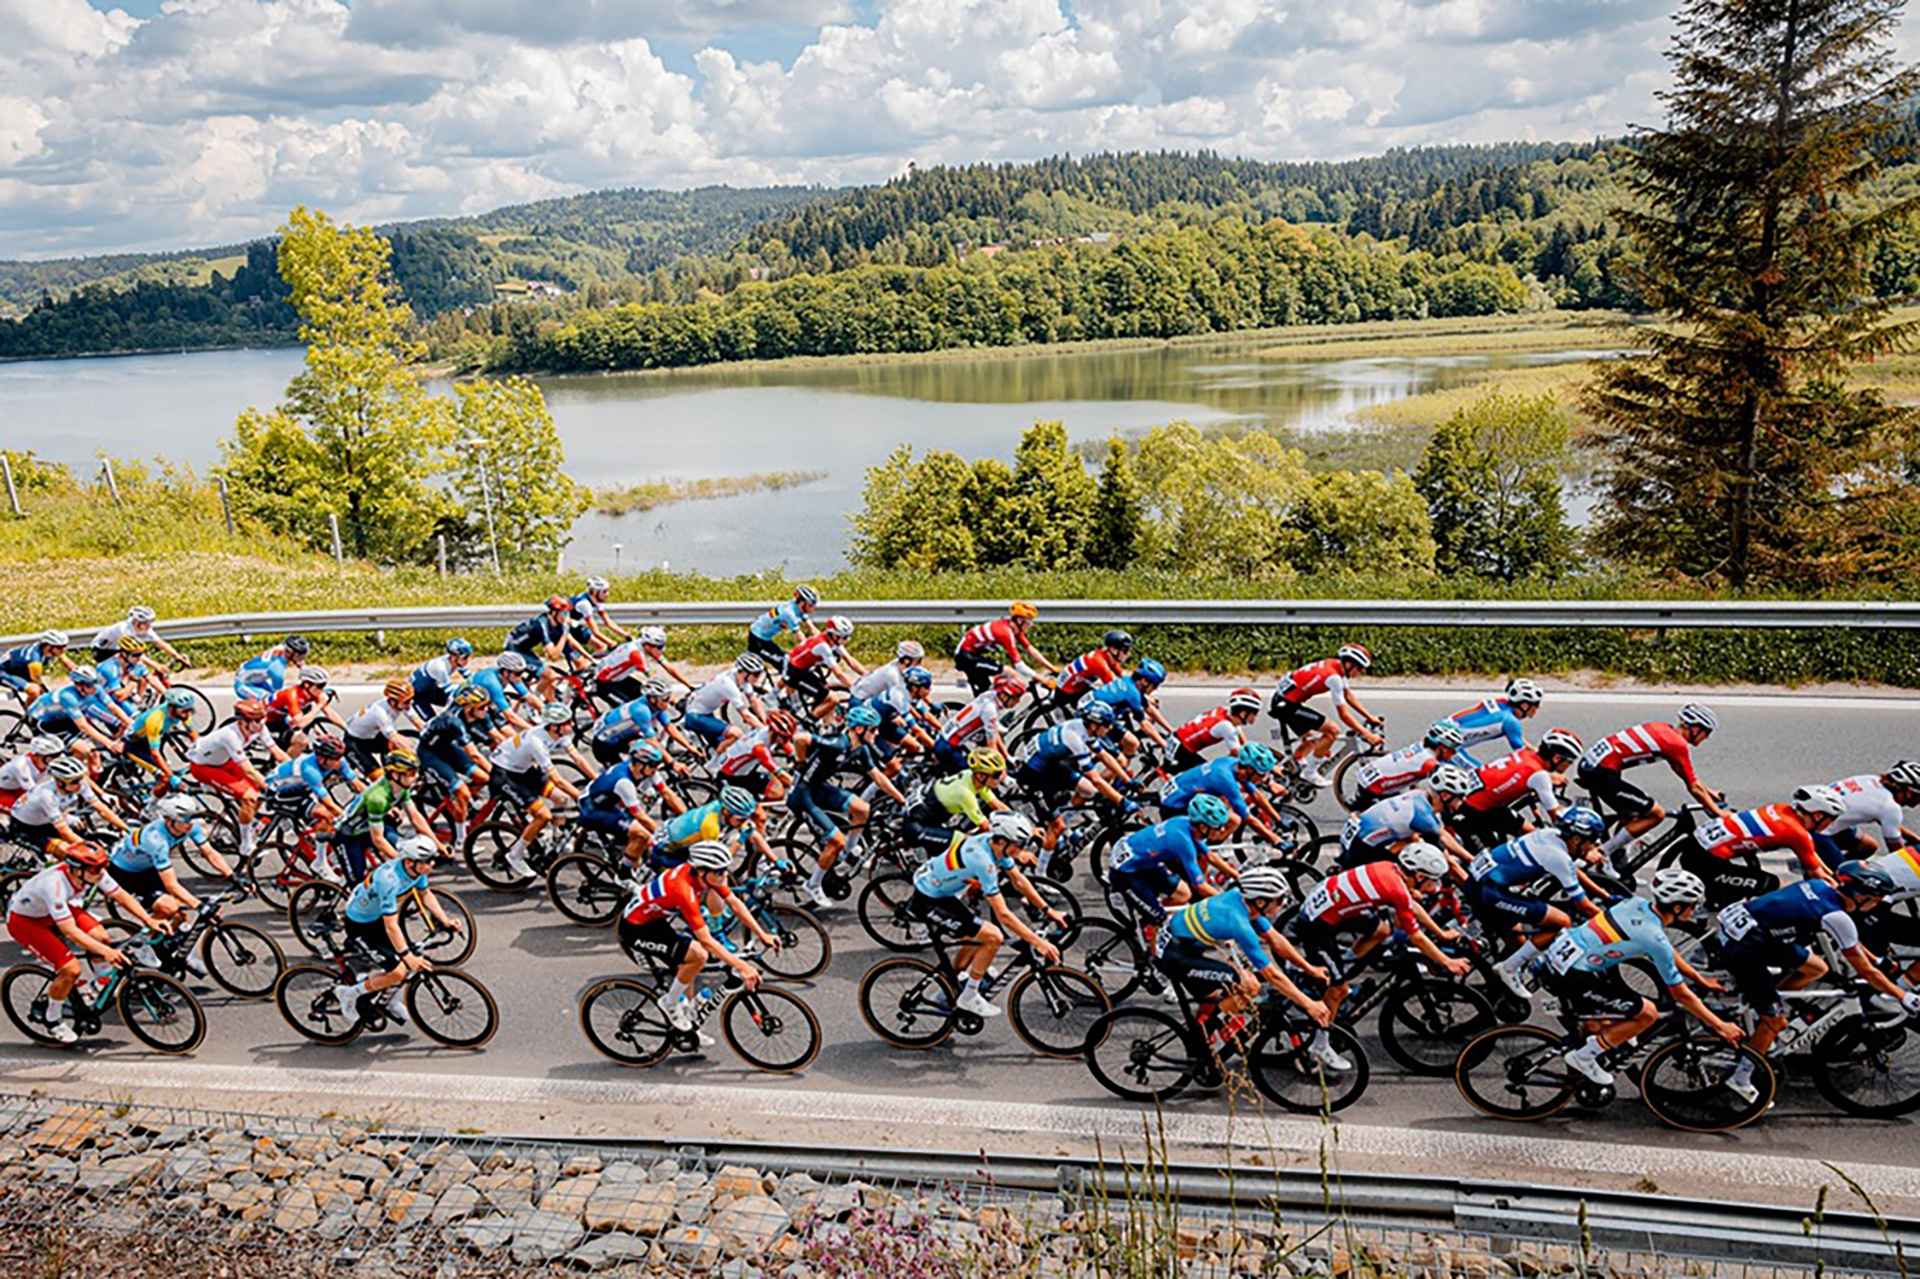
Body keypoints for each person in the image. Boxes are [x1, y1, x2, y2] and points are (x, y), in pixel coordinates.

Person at [1710, 859, 1920, 1102]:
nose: (1877, 904)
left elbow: (1850, 941)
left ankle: (1762, 1010)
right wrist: (1903, 995)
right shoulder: (1837, 916)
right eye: (1876, 898)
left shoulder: (1821, 886)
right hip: (1745, 948)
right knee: (1775, 1023)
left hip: (1747, 928)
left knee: (1816, 968)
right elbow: (1866, 972)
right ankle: (1741, 1076)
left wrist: (1876, 959)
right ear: (1862, 896)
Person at [1540, 868, 1743, 1088]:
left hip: (1560, 956)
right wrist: (1720, 1025)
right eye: (1692, 904)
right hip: (1572, 975)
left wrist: (1697, 977)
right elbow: (1681, 994)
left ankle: (1597, 1041)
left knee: (1607, 1020)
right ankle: (1584, 1058)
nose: (1695, 909)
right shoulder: (1652, 936)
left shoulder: (1636, 904)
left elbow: (1663, 948)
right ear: (1677, 907)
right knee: (1648, 1014)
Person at [1284, 844, 1472, 1069]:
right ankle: (1320, 1045)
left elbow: (1409, 905)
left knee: (1381, 931)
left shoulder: (1391, 868)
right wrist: (1447, 961)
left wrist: (1440, 934)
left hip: (1330, 907)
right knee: (1339, 989)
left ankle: (1338, 966)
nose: (1434, 886)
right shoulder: (1396, 888)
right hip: (1317, 925)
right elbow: (1416, 937)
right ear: (1419, 875)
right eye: (1433, 880)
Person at [1156, 866, 1333, 1056]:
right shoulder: (1238, 921)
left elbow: (1275, 939)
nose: (1284, 903)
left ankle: (1204, 1030)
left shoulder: (1243, 901)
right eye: (1280, 899)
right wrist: (1309, 1004)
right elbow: (1272, 975)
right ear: (1260, 901)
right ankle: (1201, 1035)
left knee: (1215, 995)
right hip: (1176, 957)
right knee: (1249, 985)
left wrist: (1309, 968)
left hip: (1179, 946)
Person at [904, 811, 1064, 1017]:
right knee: (993, 936)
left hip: (941, 893)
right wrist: (1037, 942)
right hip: (927, 901)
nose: (1022, 849)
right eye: (1019, 844)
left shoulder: (995, 846)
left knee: (976, 935)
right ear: (1001, 840)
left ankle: (947, 988)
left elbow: (1019, 880)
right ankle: (969, 997)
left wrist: (1047, 910)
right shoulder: (983, 861)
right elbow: (1004, 914)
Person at [619, 839, 781, 1042]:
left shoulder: (707, 875)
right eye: (719, 872)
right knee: (698, 955)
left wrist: (761, 934)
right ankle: (669, 1003)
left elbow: (734, 903)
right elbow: (705, 940)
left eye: (724, 870)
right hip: (636, 929)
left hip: (656, 920)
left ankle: (687, 1026)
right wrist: (741, 965)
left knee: (689, 966)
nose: (723, 876)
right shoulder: (683, 889)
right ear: (701, 871)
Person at [5, 841, 165, 1044]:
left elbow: (120, 895)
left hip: (50, 912)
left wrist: (148, 919)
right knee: (71, 970)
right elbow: (70, 932)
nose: (102, 872)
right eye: (96, 868)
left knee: (102, 937)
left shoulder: (92, 872)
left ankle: (100, 985)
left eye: (103, 866)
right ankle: (52, 1019)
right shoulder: (54, 886)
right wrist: (107, 953)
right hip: (25, 921)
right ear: (78, 870)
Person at [1471, 805, 1610, 1001]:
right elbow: (1584, 906)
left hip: (1481, 882)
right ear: (1577, 839)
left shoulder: (1551, 835)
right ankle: (1508, 969)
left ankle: (1503, 983)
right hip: (1492, 893)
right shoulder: (1558, 856)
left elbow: (1571, 870)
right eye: (1593, 842)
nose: (1593, 847)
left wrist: (1603, 893)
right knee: (1561, 922)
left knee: (1519, 944)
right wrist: (1612, 924)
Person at [331, 835, 463, 1029]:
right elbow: (391, 926)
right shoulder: (389, 880)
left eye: (432, 860)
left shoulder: (417, 870)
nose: (432, 865)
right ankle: (349, 994)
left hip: (377, 919)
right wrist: (407, 956)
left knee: (406, 963)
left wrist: (445, 920)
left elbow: (425, 894)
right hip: (361, 925)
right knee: (399, 970)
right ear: (410, 862)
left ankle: (388, 998)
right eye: (427, 862)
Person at [786, 704, 907, 907]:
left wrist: (901, 799)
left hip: (818, 788)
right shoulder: (837, 743)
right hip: (802, 794)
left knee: (862, 809)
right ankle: (813, 884)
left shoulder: (861, 750)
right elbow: (799, 738)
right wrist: (800, 763)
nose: (876, 734)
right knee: (836, 841)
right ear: (859, 729)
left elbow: (879, 778)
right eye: (873, 730)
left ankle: (848, 852)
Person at [105, 795, 238, 975]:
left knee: (181, 915)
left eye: (191, 819)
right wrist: (199, 905)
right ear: (169, 820)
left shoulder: (189, 825)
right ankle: (141, 944)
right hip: (125, 873)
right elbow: (171, 884)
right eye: (184, 821)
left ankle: (177, 950)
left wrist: (233, 876)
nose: (189, 824)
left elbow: (209, 852)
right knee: (168, 907)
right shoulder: (156, 839)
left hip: (148, 867)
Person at [1577, 703, 1727, 861]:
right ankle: (1602, 854)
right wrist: (1719, 813)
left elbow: (1689, 778)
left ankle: (1617, 861)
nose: (1706, 738)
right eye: (1706, 733)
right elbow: (1694, 788)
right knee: (1656, 814)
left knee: (1631, 812)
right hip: (1601, 773)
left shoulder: (1665, 729)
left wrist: (1709, 792)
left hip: (1594, 766)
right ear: (1695, 729)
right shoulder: (1677, 745)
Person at [1106, 794, 1242, 951]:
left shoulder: (1188, 825)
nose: (1223, 830)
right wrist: (1228, 903)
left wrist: (1238, 876)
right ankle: (1153, 964)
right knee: (1159, 918)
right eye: (1218, 826)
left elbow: (1209, 856)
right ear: (1204, 827)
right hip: (1125, 871)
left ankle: (1149, 915)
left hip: (1142, 861)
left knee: (1183, 894)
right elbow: (1200, 886)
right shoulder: (1182, 841)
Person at [1675, 786, 1840, 909]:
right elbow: (1816, 874)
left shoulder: (1781, 808)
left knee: (1744, 891)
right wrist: (1841, 891)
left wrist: (1833, 874)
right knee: (1779, 886)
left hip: (1695, 846)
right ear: (1818, 815)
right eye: (1831, 819)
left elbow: (1810, 855)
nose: (1830, 825)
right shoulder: (1797, 833)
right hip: (1707, 863)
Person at [1012, 703, 1133, 858]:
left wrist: (1127, 780)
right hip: (1033, 775)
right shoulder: (1075, 739)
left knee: (1089, 790)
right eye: (1107, 725)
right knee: (1056, 828)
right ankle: (1041, 871)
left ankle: (1067, 830)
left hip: (1049, 765)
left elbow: (1104, 755)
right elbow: (1095, 778)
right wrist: (1121, 800)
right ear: (1095, 724)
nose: (1109, 729)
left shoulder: (1083, 728)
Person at [487, 704, 589, 878]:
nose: (572, 725)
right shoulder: (537, 742)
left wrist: (597, 781)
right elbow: (557, 779)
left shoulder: (559, 735)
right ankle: (515, 854)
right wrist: (582, 797)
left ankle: (557, 840)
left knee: (561, 799)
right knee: (543, 816)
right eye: (568, 722)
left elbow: (579, 760)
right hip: (505, 775)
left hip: (523, 770)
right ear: (554, 726)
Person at [1268, 644, 1383, 786]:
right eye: (1359, 668)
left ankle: (1297, 762)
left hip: (1285, 700)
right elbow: (1344, 715)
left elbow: (1348, 695)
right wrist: (1367, 734)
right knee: (1332, 731)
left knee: (1313, 738)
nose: (1361, 672)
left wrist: (1369, 717)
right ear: (1349, 664)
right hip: (1285, 705)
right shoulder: (1333, 677)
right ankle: (1309, 772)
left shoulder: (1335, 665)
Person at [1452, 727, 1583, 851]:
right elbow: (1557, 816)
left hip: (1484, 800)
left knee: (1530, 833)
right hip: (1473, 811)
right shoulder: (1539, 776)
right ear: (1556, 758)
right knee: (1492, 862)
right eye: (1569, 762)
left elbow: (1523, 773)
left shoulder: (1525, 753)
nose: (1569, 766)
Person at [1337, 764, 1478, 874]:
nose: (1463, 801)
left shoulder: (1420, 795)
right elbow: (1444, 844)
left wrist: (1470, 859)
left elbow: (1435, 832)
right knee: (1406, 876)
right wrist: (1472, 862)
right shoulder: (1423, 817)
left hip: (1358, 829)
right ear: (1446, 796)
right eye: (1460, 797)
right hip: (1362, 845)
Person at [185, 699, 278, 860]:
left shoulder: (259, 728)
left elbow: (277, 753)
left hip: (224, 761)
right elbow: (248, 770)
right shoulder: (230, 735)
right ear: (242, 722)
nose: (261, 723)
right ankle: (246, 845)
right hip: (203, 767)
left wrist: (296, 770)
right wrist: (272, 787)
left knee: (259, 793)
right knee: (250, 797)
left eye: (263, 718)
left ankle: (234, 826)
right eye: (256, 720)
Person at [1158, 743, 1292, 847]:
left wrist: (1278, 819)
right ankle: (1197, 852)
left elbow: (1255, 794)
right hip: (1174, 805)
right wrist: (1275, 840)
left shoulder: (1233, 763)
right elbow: (1248, 818)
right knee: (1232, 821)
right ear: (1250, 769)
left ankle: (1207, 845)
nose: (1264, 779)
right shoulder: (1225, 779)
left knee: (1231, 819)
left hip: (1182, 791)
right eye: (1262, 774)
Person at [332, 750, 433, 882]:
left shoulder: (402, 787)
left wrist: (437, 844)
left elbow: (415, 817)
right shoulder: (377, 798)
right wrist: (401, 862)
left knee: (404, 848)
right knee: (359, 886)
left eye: (416, 771)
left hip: (370, 827)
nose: (416, 776)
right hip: (350, 836)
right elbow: (378, 840)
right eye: (411, 773)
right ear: (395, 775)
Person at [415, 686, 495, 851]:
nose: (486, 709)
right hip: (430, 754)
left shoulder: (477, 714)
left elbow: (497, 735)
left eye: (487, 705)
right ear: (468, 708)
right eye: (482, 707)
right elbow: (474, 755)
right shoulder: (455, 722)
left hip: (446, 748)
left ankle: (462, 805)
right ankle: (461, 841)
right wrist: (497, 772)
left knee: (484, 779)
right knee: (463, 792)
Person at [1805, 762, 1919, 868]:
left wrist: (1914, 839)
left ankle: (1828, 862)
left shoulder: (1872, 780)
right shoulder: (1890, 807)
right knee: (1843, 878)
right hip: (1818, 831)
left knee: (1868, 846)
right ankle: (1829, 871)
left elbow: (1889, 822)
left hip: (1817, 819)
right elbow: (1897, 852)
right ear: (1908, 792)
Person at [579, 739, 675, 865]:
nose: (655, 770)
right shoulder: (624, 783)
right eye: (653, 765)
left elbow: (668, 794)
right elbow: (641, 816)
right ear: (640, 765)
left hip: (606, 802)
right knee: (643, 835)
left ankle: (627, 844)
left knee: (645, 804)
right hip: (592, 809)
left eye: (656, 766)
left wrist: (689, 816)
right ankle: (624, 875)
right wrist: (665, 836)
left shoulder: (644, 770)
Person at [8, 755, 127, 854]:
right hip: (26, 828)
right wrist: (91, 852)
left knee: (83, 833)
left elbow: (101, 808)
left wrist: (127, 829)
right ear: (60, 783)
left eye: (80, 778)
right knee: (65, 851)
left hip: (46, 819)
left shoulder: (78, 783)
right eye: (75, 781)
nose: (80, 784)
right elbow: (64, 832)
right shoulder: (46, 796)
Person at [900, 748, 1008, 854]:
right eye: (997, 775)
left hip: (926, 811)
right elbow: (985, 827)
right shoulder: (965, 794)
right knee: (969, 844)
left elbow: (997, 805)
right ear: (981, 775)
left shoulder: (971, 776)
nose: (1001, 778)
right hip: (917, 825)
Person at [1346, 721, 1467, 807]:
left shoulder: (1422, 745)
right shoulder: (1428, 763)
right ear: (1442, 747)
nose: (1454, 753)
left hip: (1371, 776)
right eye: (1452, 749)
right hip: (1374, 788)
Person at [953, 601, 1056, 695]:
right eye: (1029, 622)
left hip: (972, 655)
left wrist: (1053, 668)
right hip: (966, 657)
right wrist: (1043, 680)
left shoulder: (1013, 628)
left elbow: (1030, 650)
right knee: (1010, 673)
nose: (1031, 625)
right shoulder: (1005, 633)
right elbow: (1019, 666)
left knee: (990, 690)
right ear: (1020, 621)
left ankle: (988, 709)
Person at [931, 672, 1025, 773]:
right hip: (948, 747)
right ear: (1006, 696)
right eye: (1017, 698)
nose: (1018, 702)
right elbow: (991, 747)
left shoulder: (990, 696)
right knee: (977, 775)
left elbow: (995, 732)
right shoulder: (990, 710)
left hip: (945, 738)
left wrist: (1007, 757)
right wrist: (1002, 772)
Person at [1443, 678, 1544, 766]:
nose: (1538, 708)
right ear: (1525, 705)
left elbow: (1519, 740)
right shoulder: (1510, 721)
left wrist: (1541, 754)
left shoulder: (1502, 704)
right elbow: (1522, 754)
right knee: (1480, 779)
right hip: (1448, 745)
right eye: (1536, 704)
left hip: (1442, 731)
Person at [28, 665, 130, 751]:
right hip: (45, 721)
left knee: (96, 749)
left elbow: (113, 707)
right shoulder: (68, 697)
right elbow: (83, 726)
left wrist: (131, 724)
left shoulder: (96, 689)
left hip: (65, 718)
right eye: (90, 685)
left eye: (95, 682)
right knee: (85, 750)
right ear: (78, 685)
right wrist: (110, 743)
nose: (94, 687)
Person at [781, 616, 865, 717]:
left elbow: (850, 660)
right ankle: (809, 722)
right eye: (845, 637)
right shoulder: (823, 646)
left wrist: (868, 675)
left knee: (824, 695)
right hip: (794, 672)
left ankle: (826, 727)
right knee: (832, 699)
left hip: (802, 668)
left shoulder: (833, 641)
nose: (848, 640)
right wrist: (854, 690)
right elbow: (838, 673)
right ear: (834, 635)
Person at [504, 596, 586, 699]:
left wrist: (590, 658)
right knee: (550, 675)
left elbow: (571, 642)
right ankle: (534, 702)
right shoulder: (543, 624)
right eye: (564, 613)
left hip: (525, 649)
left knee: (551, 684)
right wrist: (564, 635)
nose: (567, 617)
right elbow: (553, 656)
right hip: (513, 649)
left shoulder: (557, 623)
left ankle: (551, 710)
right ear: (554, 613)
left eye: (568, 613)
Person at [683, 654, 769, 747]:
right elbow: (746, 715)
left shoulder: (742, 678)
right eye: (756, 674)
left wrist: (764, 721)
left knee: (726, 746)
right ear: (744, 672)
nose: (758, 677)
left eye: (760, 673)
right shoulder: (728, 685)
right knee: (736, 734)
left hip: (705, 712)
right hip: (695, 716)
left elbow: (753, 700)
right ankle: (715, 761)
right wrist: (763, 730)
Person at [1168, 689, 1262, 772]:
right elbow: (1239, 754)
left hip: (1179, 740)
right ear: (1243, 714)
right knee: (1209, 779)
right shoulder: (1226, 726)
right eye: (1255, 713)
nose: (1256, 716)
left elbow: (1243, 741)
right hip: (1182, 752)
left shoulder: (1225, 711)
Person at [343, 678, 420, 777]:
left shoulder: (403, 703)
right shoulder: (380, 713)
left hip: (373, 736)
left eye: (411, 699)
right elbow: (396, 739)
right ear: (393, 701)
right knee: (378, 777)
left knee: (397, 760)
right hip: (355, 742)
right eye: (407, 701)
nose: (411, 703)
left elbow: (418, 722)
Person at [121, 689, 201, 783]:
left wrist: (199, 747)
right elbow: (155, 753)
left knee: (167, 768)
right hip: (136, 745)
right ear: (171, 708)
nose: (187, 714)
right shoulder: (155, 720)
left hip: (153, 736)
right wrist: (170, 776)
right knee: (165, 777)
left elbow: (191, 732)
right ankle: (153, 797)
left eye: (190, 710)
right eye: (184, 711)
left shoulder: (183, 711)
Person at [264, 666, 347, 749]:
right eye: (320, 686)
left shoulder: (312, 692)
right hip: (267, 721)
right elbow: (300, 723)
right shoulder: (291, 695)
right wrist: (319, 706)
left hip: (281, 718)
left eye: (324, 685)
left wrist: (347, 729)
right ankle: (286, 761)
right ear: (306, 684)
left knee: (307, 711)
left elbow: (329, 712)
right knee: (301, 741)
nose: (322, 689)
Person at [90, 605, 185, 669]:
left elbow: (160, 643)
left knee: (140, 671)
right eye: (147, 623)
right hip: (102, 651)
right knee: (137, 668)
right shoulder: (124, 630)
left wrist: (177, 655)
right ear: (137, 622)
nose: (149, 625)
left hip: (117, 650)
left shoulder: (144, 627)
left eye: (150, 622)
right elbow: (135, 653)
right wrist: (155, 665)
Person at [746, 585, 821, 663]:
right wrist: (811, 651)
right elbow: (799, 636)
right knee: (784, 663)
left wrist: (822, 642)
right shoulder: (789, 613)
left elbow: (811, 627)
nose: (812, 609)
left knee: (787, 660)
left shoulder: (797, 606)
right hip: (757, 639)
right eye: (810, 605)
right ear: (802, 603)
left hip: (766, 639)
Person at [0, 630, 73, 701]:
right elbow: (36, 679)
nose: (63, 650)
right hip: (5, 671)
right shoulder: (34, 657)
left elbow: (69, 664)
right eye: (60, 647)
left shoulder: (52, 650)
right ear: (48, 646)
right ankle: (30, 712)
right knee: (35, 691)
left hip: (22, 670)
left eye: (65, 646)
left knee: (46, 696)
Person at [233, 634, 309, 702]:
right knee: (272, 702)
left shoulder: (282, 649)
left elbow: (301, 665)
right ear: (291, 653)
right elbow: (279, 692)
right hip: (244, 684)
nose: (302, 658)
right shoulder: (277, 668)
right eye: (300, 655)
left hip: (256, 679)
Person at [0, 736, 66, 813]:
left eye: (59, 754)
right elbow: (35, 793)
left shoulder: (51, 759)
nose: (59, 758)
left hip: (20, 788)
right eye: (55, 756)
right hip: (4, 792)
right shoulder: (21, 766)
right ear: (40, 755)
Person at [410, 639, 474, 717]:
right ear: (454, 657)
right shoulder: (440, 667)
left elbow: (470, 676)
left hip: (431, 690)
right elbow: (449, 692)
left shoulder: (455, 661)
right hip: (417, 696)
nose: (467, 660)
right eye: (465, 657)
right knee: (431, 723)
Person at [570, 576, 630, 654]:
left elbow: (608, 622)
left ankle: (591, 664)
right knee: (601, 646)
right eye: (604, 591)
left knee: (601, 647)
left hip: (572, 625)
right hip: (562, 626)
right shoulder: (585, 604)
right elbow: (595, 632)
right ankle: (590, 664)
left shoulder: (597, 601)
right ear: (595, 592)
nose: (607, 594)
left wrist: (627, 635)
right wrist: (611, 643)